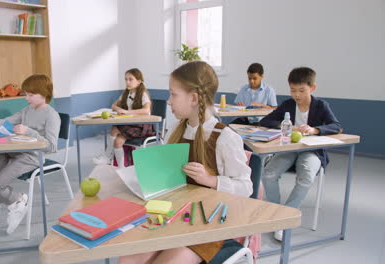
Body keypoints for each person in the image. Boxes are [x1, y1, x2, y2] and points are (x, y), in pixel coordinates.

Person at [118, 61, 252, 264]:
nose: (169, 102)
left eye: (173, 94)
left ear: (194, 98)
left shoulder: (225, 138)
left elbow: (246, 187)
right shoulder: (174, 129)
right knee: (127, 261)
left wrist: (211, 180)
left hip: (208, 224)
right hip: (171, 215)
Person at [0, 74, 60, 235]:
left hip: (31, 157)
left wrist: (28, 131)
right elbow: (6, 121)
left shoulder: (52, 115)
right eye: (26, 94)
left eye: (31, 95)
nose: (27, 98)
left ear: (44, 93)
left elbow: (51, 146)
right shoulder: (27, 110)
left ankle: (17, 199)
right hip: (12, 152)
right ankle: (14, 204)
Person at [260, 67, 342, 241]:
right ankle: (276, 213)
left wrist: (315, 129)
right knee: (268, 174)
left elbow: (336, 126)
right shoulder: (288, 105)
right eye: (292, 90)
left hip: (312, 151)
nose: (296, 95)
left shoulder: (321, 105)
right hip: (288, 149)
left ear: (312, 88)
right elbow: (266, 121)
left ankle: (285, 218)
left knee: (306, 178)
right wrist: (287, 125)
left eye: (301, 90)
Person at [93, 68, 154, 168]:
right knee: (117, 141)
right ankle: (121, 168)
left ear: (139, 81)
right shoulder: (126, 93)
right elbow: (113, 105)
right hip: (132, 124)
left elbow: (146, 110)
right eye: (126, 79)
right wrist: (119, 109)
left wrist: (127, 112)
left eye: (130, 79)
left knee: (114, 129)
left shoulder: (143, 94)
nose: (127, 82)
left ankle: (107, 156)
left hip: (142, 126)